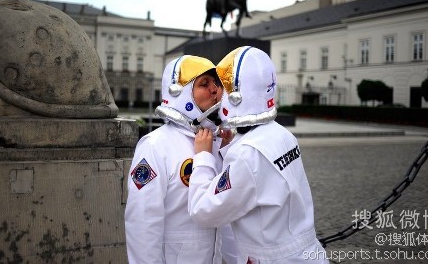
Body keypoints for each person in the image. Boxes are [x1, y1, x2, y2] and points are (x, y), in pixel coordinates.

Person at [188, 46, 328, 263]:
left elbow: (203, 211)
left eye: (223, 87)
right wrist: (228, 147)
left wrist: (204, 158)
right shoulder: (282, 135)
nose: (217, 93)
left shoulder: (247, 154)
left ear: (236, 96)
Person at [125, 55, 234, 264]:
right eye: (204, 84)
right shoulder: (155, 145)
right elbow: (142, 222)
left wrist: (228, 152)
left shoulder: (217, 141)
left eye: (216, 83)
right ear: (181, 93)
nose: (215, 90)